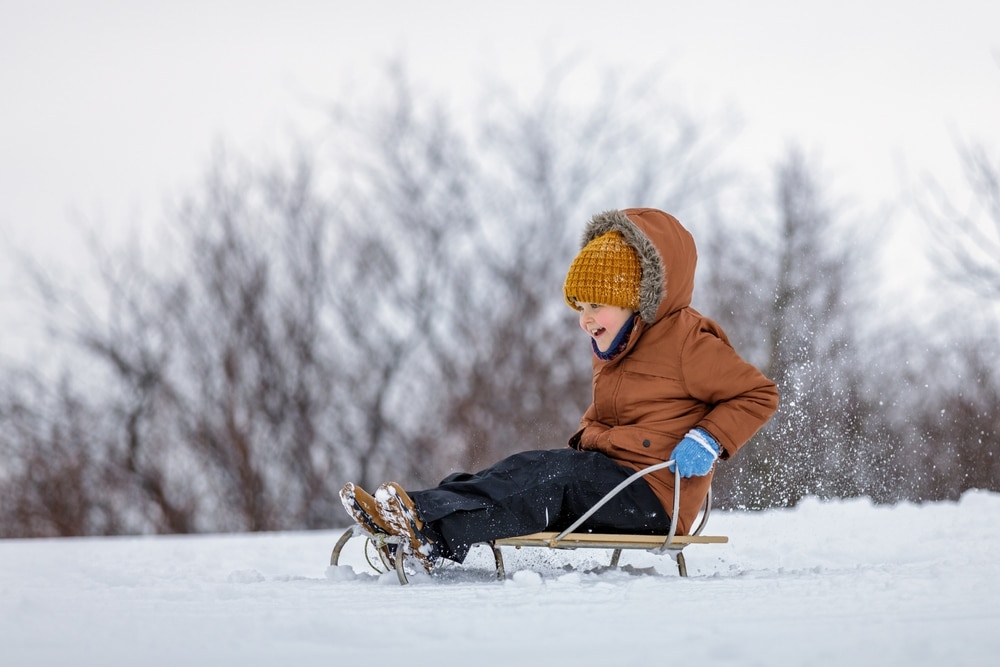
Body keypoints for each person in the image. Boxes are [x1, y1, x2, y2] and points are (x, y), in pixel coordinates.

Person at [340, 207, 779, 572]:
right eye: (580, 308)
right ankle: (415, 511)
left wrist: (709, 438)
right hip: (611, 480)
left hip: (655, 498)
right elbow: (614, 417)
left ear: (637, 298)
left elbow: (758, 394)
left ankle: (429, 530)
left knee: (553, 479)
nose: (586, 320)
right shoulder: (618, 344)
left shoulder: (688, 342)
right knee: (526, 468)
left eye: (596, 306)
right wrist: (590, 438)